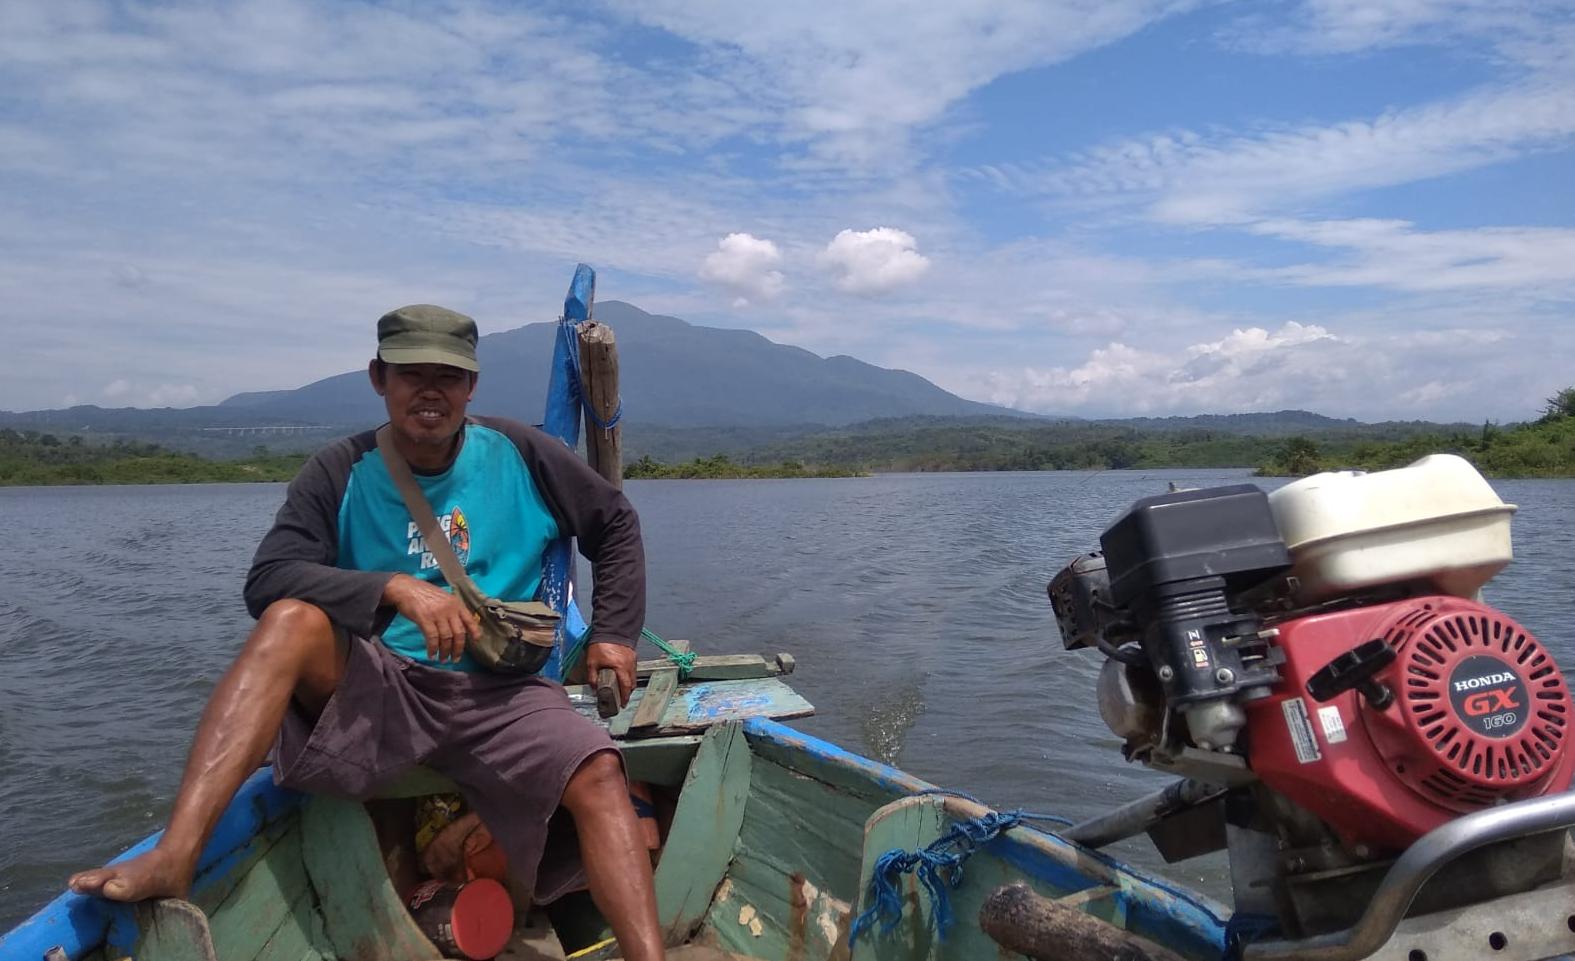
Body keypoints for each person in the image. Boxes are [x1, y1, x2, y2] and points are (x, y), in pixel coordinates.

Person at [69, 305, 664, 961]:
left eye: (448, 375)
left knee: (601, 771)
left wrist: (613, 633)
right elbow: (268, 577)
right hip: (382, 688)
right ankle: (177, 855)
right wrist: (389, 588)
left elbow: (614, 525)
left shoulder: (521, 452)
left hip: (502, 692)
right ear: (379, 377)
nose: (430, 391)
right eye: (412, 374)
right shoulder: (340, 468)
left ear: (472, 387)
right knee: (289, 618)